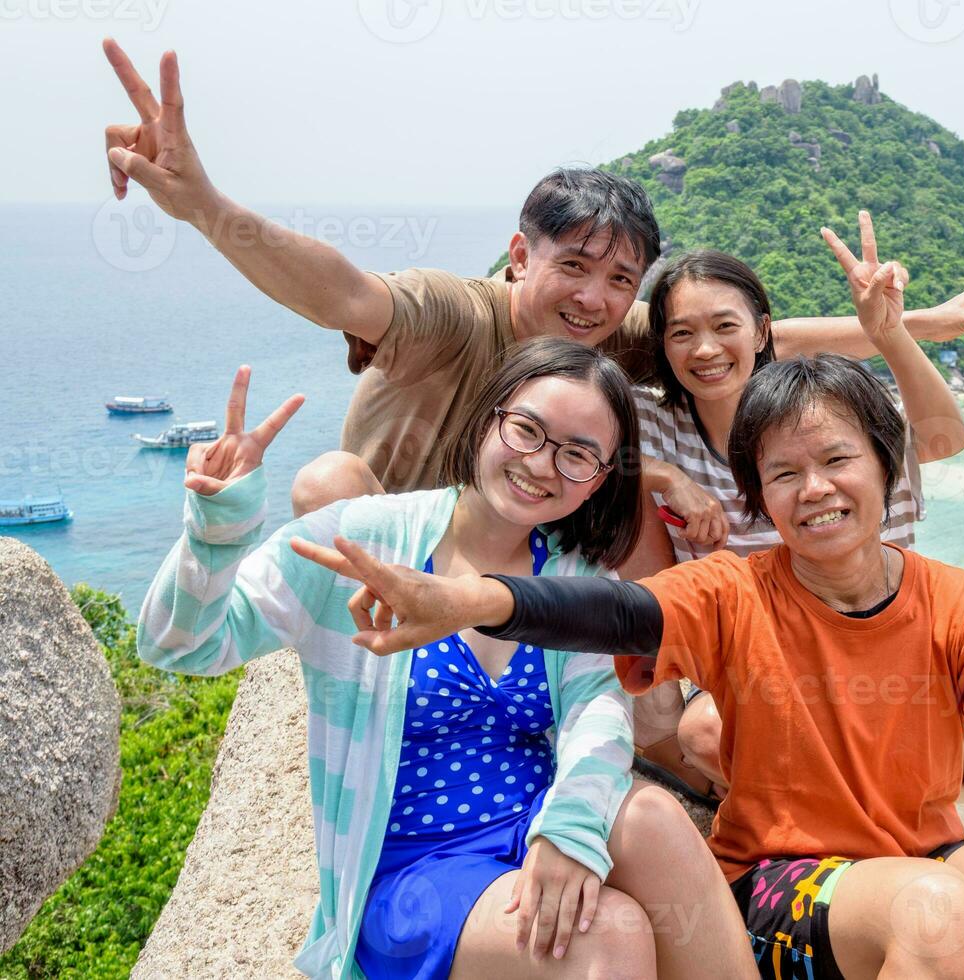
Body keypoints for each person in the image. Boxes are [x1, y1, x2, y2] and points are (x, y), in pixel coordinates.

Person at [296, 221, 964, 979]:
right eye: (785, 475)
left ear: (888, 468)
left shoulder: (963, 602)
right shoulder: (731, 590)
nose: (816, 491)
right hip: (785, 882)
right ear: (757, 496)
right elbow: (610, 614)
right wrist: (469, 599)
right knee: (935, 913)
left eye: (836, 462)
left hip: (924, 854)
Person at [99, 41, 964, 510]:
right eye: (573, 266)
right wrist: (205, 206)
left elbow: (768, 340)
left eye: (621, 279)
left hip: (510, 565)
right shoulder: (455, 314)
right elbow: (340, 290)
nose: (595, 296)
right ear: (518, 255)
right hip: (398, 551)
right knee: (327, 482)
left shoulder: (605, 339)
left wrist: (925, 323)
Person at [136, 340, 755, 979]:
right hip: (413, 865)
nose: (541, 465)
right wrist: (216, 529)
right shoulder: (365, 539)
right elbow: (183, 643)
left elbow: (598, 714)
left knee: (652, 815)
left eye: (576, 455)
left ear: (598, 480)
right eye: (528, 431)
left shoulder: (570, 576)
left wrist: (568, 830)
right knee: (610, 936)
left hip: (535, 824)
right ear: (489, 418)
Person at [626, 231, 964, 839]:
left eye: (725, 327)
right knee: (706, 730)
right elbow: (583, 458)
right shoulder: (654, 424)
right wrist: (664, 477)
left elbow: (942, 438)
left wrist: (893, 330)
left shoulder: (817, 420)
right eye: (681, 333)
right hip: (761, 659)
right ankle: (912, 783)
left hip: (874, 640)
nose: (705, 350)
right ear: (662, 344)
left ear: (762, 332)